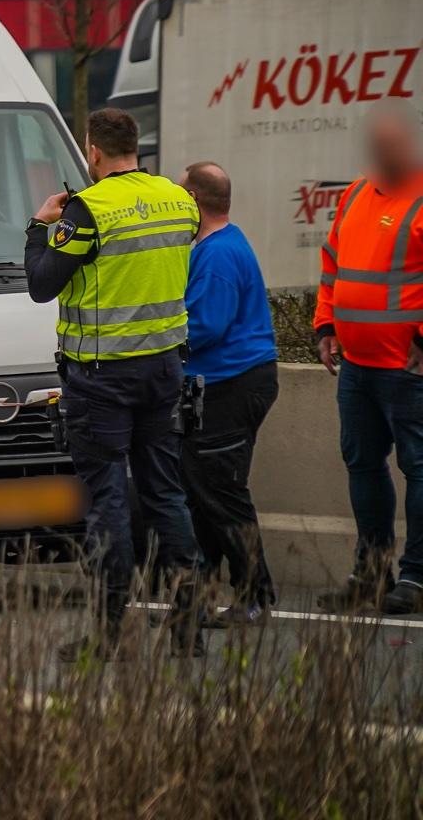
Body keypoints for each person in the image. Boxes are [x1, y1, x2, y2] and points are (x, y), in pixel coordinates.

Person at [26, 107, 203, 659]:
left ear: (93, 153)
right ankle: (188, 623)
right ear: (137, 147)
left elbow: (41, 283)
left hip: (102, 378)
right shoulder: (180, 200)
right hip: (164, 369)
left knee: (106, 500)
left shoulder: (88, 210)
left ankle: (109, 633)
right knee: (166, 492)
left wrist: (40, 227)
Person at [313, 106, 423, 616]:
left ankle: (416, 579)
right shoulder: (357, 193)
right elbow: (332, 262)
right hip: (357, 365)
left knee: (419, 469)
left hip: (409, 368)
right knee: (362, 464)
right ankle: (371, 572)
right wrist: (326, 324)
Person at [176, 161, 279, 627]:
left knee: (221, 493)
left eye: (181, 195)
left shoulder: (216, 255)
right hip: (228, 384)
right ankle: (197, 599)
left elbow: (207, 327)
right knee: (203, 495)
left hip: (230, 387)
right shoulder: (221, 245)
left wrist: (155, 339)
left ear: (194, 199)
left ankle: (255, 596)